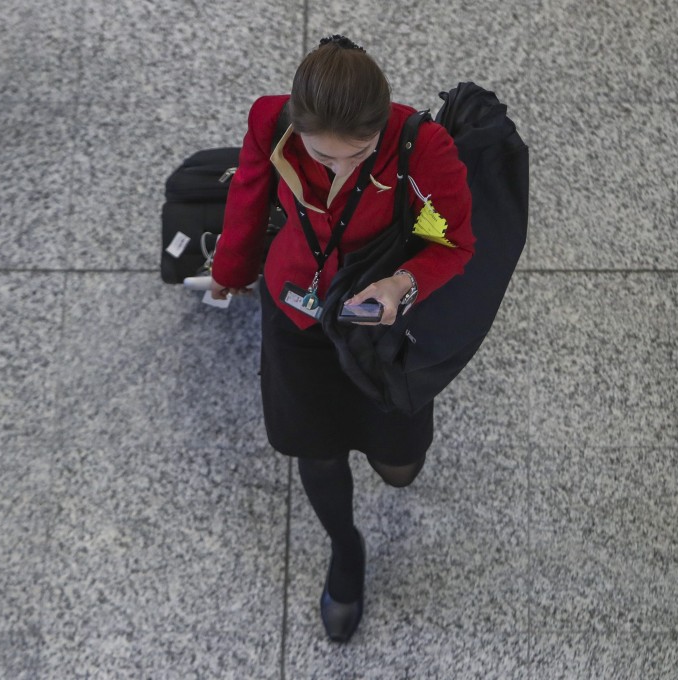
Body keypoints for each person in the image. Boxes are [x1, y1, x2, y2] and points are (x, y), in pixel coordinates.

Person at [210, 35, 474, 643]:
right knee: (317, 449)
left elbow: (455, 243)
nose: (340, 172)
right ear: (296, 127)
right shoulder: (270, 121)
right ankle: (345, 548)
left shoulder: (422, 146)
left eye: (358, 156)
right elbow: (249, 199)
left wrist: (404, 282)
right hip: (296, 312)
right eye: (322, 157)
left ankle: (378, 469)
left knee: (400, 467)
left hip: (377, 318)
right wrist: (229, 271)